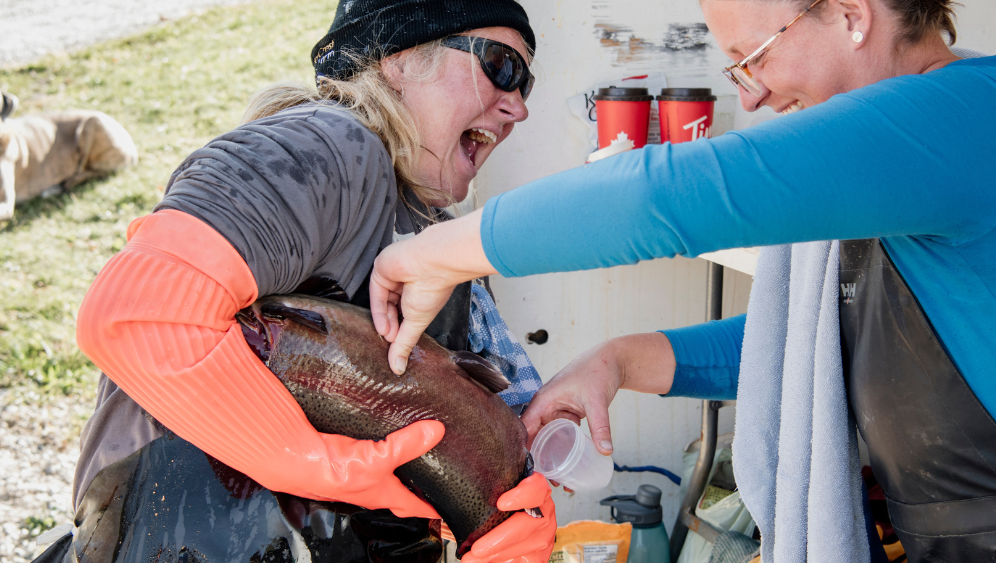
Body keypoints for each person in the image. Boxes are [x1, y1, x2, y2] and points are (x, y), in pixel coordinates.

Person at [369, 0, 996, 560]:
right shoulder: (907, 167)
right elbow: (803, 345)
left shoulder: (968, 119)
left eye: (752, 58)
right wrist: (616, 362)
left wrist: (441, 251)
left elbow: (668, 195)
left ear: (853, 15)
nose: (750, 97)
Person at [41, 2, 558, 563]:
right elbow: (136, 312)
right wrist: (316, 464)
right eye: (502, 66)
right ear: (402, 58)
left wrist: (502, 510)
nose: (518, 106)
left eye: (526, 82)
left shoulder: (433, 232)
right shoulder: (330, 147)